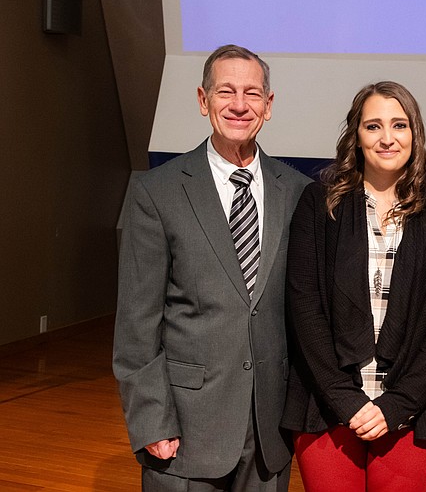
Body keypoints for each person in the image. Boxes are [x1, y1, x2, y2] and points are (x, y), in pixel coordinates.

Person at [113, 44, 310, 491]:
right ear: (203, 101)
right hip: (185, 433)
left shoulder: (298, 193)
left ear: (269, 105)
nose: (239, 105)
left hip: (269, 434)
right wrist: (152, 420)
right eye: (226, 92)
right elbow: (136, 323)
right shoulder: (155, 192)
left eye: (252, 93)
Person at [280, 81, 426, 491]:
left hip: (410, 406)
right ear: (356, 136)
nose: (388, 138)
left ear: (414, 134)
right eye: (373, 126)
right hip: (326, 403)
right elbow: (305, 308)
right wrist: (346, 401)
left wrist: (396, 405)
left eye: (399, 125)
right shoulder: (319, 203)